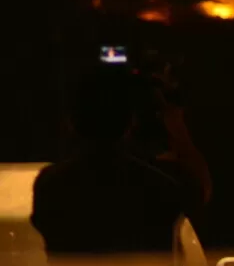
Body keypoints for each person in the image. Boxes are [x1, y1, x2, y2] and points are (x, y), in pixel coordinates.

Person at [30, 66, 204, 261]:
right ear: (131, 121)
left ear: (71, 121)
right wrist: (175, 122)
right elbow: (200, 190)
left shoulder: (50, 185)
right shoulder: (161, 185)